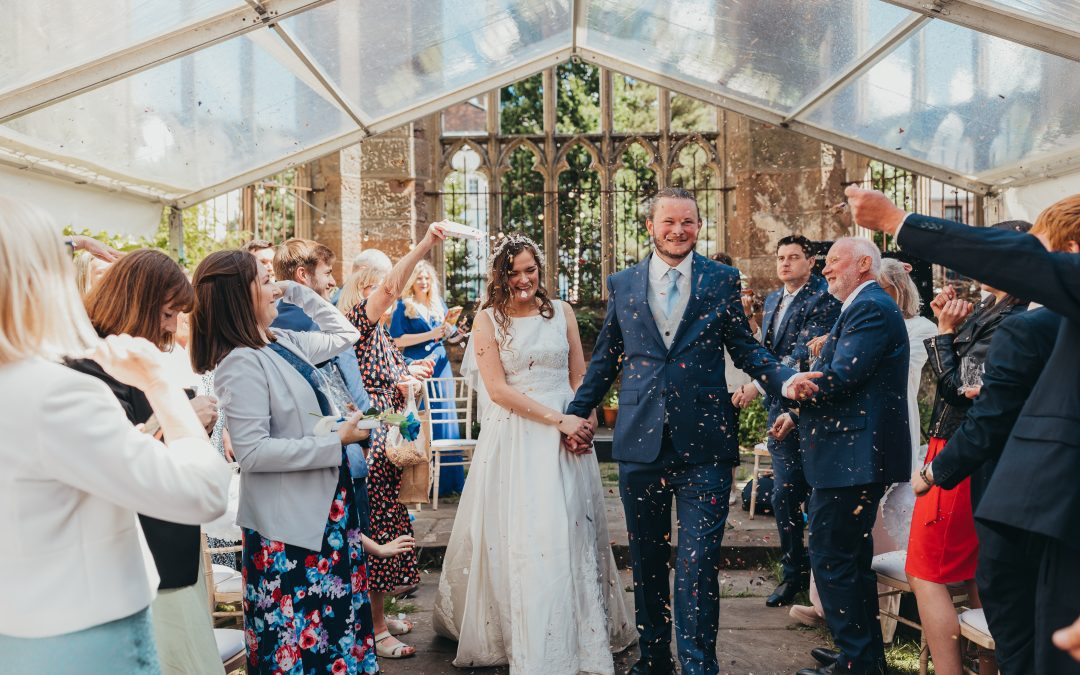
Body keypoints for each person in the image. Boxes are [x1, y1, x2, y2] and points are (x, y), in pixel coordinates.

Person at [565, 187, 819, 675]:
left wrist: (785, 379)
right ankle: (656, 660)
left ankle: (701, 664)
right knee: (648, 559)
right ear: (650, 227)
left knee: (700, 565)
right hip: (642, 441)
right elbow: (605, 359)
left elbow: (745, 348)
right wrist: (579, 412)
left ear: (699, 227)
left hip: (706, 443)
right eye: (668, 222)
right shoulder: (623, 283)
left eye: (687, 222)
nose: (677, 230)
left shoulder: (721, 280)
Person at [846, 186, 1080, 674]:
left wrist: (896, 220)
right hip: (1010, 493)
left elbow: (969, 399)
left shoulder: (1029, 324)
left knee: (1031, 641)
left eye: (1034, 250)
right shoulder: (1025, 318)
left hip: (1021, 492)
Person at [0, 198, 229, 673]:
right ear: (38, 279)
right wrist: (163, 389)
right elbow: (204, 493)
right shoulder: (59, 392)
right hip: (83, 639)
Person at [432, 234, 636, 673]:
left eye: (530, 269)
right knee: (531, 533)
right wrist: (558, 420)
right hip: (520, 440)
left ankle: (582, 631)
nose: (523, 280)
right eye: (513, 272)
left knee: (571, 530)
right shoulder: (488, 321)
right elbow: (499, 390)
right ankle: (531, 634)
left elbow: (579, 374)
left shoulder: (561, 312)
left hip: (567, 437)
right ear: (500, 276)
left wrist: (585, 420)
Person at [193, 250, 379, 674]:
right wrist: (339, 440)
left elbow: (345, 334)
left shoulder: (281, 340)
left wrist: (300, 291)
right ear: (240, 296)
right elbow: (254, 453)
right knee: (301, 651)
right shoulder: (239, 362)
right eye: (264, 280)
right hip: (290, 534)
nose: (274, 286)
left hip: (326, 516)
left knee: (338, 639)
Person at [65, 250, 225, 675]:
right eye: (168, 313)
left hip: (171, 549)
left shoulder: (130, 357)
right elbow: (118, 462)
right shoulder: (87, 367)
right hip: (141, 562)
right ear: (136, 302)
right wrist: (180, 418)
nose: (173, 327)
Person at [771, 237, 911, 675]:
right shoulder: (862, 304)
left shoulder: (869, 306)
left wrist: (794, 387)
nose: (826, 269)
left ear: (864, 263)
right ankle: (864, 656)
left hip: (852, 457)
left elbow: (843, 376)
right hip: (849, 453)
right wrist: (797, 412)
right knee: (851, 558)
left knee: (832, 556)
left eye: (834, 262)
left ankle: (857, 661)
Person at [904, 222, 1031, 675]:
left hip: (960, 450)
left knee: (927, 572)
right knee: (978, 572)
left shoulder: (1017, 319)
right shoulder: (995, 306)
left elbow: (960, 388)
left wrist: (941, 332)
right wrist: (953, 323)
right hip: (957, 443)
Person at [340, 224, 448, 660]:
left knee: (386, 526)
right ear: (369, 286)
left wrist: (409, 376)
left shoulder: (380, 332)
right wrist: (423, 245)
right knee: (376, 531)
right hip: (372, 442)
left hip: (388, 443)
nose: (396, 291)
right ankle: (378, 630)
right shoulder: (357, 324)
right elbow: (391, 287)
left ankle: (376, 617)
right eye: (388, 284)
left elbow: (384, 379)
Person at [731, 235, 840, 607]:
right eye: (780, 258)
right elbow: (767, 351)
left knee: (814, 493)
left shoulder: (824, 298)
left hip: (810, 409)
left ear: (810, 261)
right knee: (783, 493)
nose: (785, 264)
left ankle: (819, 580)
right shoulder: (775, 298)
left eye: (794, 257)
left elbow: (800, 355)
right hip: (778, 411)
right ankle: (793, 574)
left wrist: (757, 387)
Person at [389, 259, 464, 495]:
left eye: (427, 278)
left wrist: (454, 335)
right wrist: (431, 333)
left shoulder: (438, 304)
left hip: (441, 364)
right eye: (419, 278)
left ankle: (450, 483)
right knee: (425, 416)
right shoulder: (404, 306)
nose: (423, 282)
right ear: (413, 281)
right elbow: (397, 340)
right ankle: (425, 482)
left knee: (445, 414)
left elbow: (442, 338)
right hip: (417, 365)